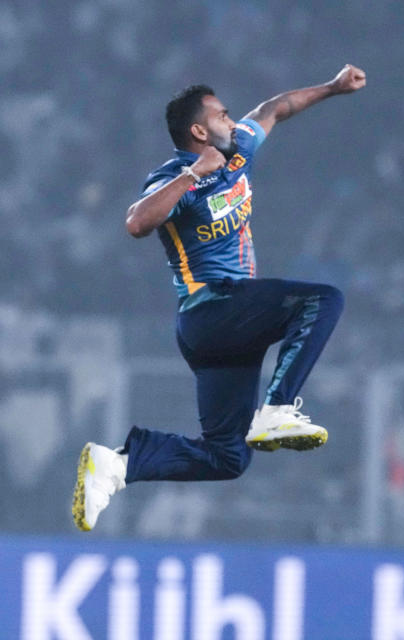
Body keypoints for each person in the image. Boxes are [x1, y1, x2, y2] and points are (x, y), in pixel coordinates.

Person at [72, 64, 367, 532]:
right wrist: (192, 175)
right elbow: (136, 223)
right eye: (222, 115)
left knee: (227, 456)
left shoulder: (238, 150)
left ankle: (119, 466)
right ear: (198, 130)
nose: (233, 122)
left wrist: (332, 88)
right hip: (212, 309)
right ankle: (276, 411)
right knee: (323, 301)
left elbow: (275, 109)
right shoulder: (176, 177)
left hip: (227, 330)